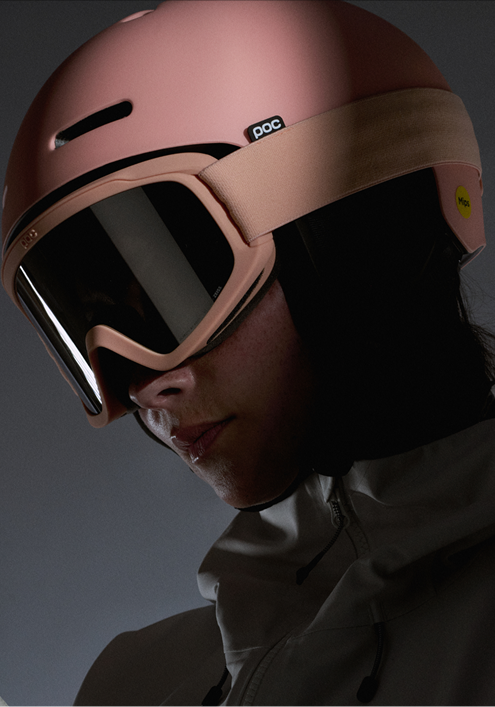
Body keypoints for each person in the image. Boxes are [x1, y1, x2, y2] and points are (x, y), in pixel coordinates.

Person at [2, 1, 495, 704]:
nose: (140, 384)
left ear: (356, 236)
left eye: (174, 284)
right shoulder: (136, 684)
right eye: (92, 320)